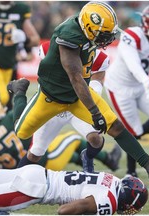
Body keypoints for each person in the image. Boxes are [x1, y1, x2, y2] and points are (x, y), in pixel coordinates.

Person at [11, 1, 149, 185]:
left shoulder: (91, 38)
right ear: (89, 27)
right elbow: (75, 78)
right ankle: (19, 92)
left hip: (77, 96)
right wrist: (95, 112)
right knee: (22, 133)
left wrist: (96, 109)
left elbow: (87, 81)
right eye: (104, 34)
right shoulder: (68, 38)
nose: (107, 38)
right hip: (51, 98)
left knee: (116, 127)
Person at [0, 126, 148, 215]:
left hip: (39, 173)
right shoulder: (110, 200)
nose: (131, 211)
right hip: (37, 189)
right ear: (127, 199)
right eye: (133, 207)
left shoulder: (110, 180)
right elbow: (64, 211)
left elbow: (87, 175)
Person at [30, 40, 121, 173]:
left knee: (95, 138)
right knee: (38, 150)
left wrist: (89, 97)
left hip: (76, 105)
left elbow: (95, 87)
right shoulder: (50, 49)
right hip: (53, 105)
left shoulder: (99, 58)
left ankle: (90, 162)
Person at [103, 3, 149, 177]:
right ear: (144, 22)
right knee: (134, 131)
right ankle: (131, 173)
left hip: (141, 86)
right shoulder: (131, 35)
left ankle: (128, 138)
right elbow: (133, 64)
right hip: (120, 88)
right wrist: (148, 82)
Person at [0, 96, 120, 171]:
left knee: (70, 152)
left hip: (22, 169)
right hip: (44, 162)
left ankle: (90, 163)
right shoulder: (10, 119)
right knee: (74, 138)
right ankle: (109, 160)